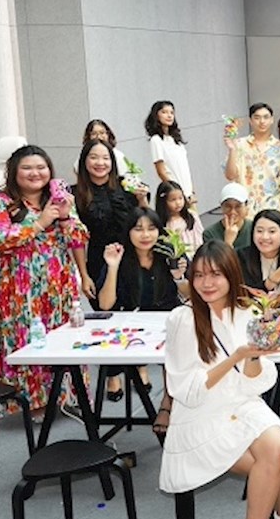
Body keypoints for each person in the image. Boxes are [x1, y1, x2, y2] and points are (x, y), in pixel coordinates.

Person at [159, 241, 280, 519]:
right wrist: (235, 357)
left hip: (242, 404)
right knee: (279, 467)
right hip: (200, 414)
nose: (206, 283)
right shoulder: (182, 319)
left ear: (231, 275)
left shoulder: (248, 312)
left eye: (215, 275)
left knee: (276, 445)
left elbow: (257, 384)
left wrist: (253, 357)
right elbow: (185, 390)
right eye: (198, 275)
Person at [0, 145, 89, 419]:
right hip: (17, 290)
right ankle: (34, 403)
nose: (35, 173)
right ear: (14, 172)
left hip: (57, 287)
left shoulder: (59, 199)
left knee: (63, 336)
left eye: (41, 167)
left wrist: (65, 216)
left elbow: (79, 237)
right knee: (27, 340)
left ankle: (67, 394)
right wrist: (39, 223)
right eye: (27, 168)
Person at [96, 207, 188, 437]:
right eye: (138, 229)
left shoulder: (170, 253)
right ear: (128, 232)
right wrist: (113, 266)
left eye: (151, 228)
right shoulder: (120, 256)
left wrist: (178, 277)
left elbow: (190, 296)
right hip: (131, 325)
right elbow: (105, 305)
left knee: (177, 349)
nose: (145, 235)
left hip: (167, 320)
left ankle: (168, 402)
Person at [74, 139, 148, 302]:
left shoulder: (128, 186)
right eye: (94, 157)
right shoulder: (76, 194)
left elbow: (147, 221)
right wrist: (84, 275)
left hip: (132, 257)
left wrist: (142, 199)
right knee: (104, 307)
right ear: (84, 160)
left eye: (105, 158)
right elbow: (76, 240)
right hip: (98, 260)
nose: (100, 163)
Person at [225, 103, 280, 214]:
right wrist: (232, 150)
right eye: (257, 118)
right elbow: (230, 176)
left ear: (272, 120)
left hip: (271, 208)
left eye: (266, 117)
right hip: (245, 209)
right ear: (250, 120)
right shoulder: (239, 145)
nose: (262, 121)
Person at [146, 100, 195, 206]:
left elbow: (185, 168)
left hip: (188, 193)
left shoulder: (176, 140)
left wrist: (192, 191)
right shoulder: (156, 140)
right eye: (164, 112)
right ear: (156, 115)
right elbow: (161, 171)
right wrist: (177, 192)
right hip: (176, 195)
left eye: (172, 113)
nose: (169, 116)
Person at [156, 180, 204, 258]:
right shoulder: (163, 223)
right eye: (173, 200)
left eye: (180, 198)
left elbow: (200, 235)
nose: (178, 203)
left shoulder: (191, 215)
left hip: (196, 255)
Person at [203, 183, 255, 251]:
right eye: (228, 206)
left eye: (238, 206)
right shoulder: (210, 233)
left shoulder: (254, 228)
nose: (232, 211)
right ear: (221, 207)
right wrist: (228, 243)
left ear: (246, 206)